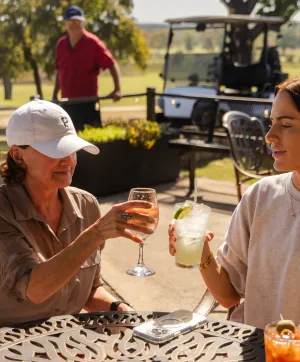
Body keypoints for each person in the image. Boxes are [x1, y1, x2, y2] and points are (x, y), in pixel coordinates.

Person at [0, 99, 156, 327]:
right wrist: (96, 234)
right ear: (17, 155)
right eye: (55, 151)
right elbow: (35, 288)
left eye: (71, 149)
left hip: (67, 344)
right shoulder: (4, 210)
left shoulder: (86, 205)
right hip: (11, 351)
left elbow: (91, 291)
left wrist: (121, 311)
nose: (68, 160)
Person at [169, 77, 300, 329]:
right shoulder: (260, 197)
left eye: (285, 124)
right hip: (255, 356)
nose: (269, 136)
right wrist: (200, 252)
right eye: (271, 123)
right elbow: (229, 295)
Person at [52, 5, 122, 130]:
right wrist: (54, 95)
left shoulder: (93, 42)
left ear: (83, 22)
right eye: (71, 21)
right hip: (67, 103)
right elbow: (59, 71)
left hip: (88, 103)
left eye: (77, 21)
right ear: (65, 24)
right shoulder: (61, 44)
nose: (74, 25)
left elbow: (112, 64)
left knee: (91, 143)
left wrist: (117, 89)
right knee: (68, 141)